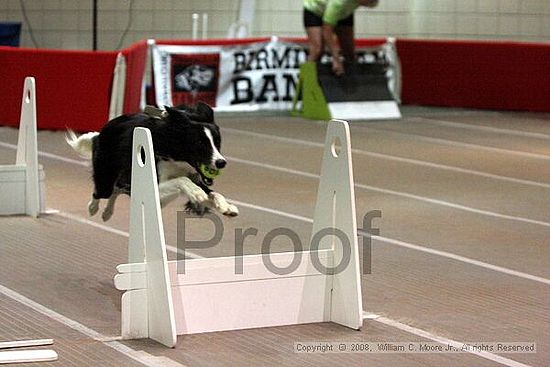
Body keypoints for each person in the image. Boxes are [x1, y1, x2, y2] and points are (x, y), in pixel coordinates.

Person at [303, 0, 379, 76]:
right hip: (315, 10)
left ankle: (352, 83)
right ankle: (307, 82)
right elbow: (327, 31)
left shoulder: (372, 2)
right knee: (317, 50)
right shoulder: (339, 2)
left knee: (349, 52)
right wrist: (336, 58)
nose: (369, 4)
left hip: (342, 12)